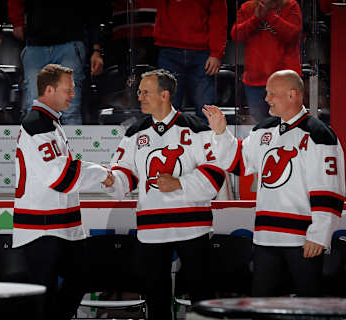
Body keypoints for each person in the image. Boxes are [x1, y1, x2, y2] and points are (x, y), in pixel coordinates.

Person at [203, 70, 345, 297]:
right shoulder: (263, 130)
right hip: (265, 238)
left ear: (292, 95)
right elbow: (239, 164)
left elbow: (329, 190)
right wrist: (221, 133)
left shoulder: (319, 135)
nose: (266, 98)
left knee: (308, 308)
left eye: (271, 93)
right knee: (263, 306)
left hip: (303, 240)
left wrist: (318, 235)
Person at [106, 69, 225, 319]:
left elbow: (215, 176)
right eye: (139, 92)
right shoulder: (134, 133)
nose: (139, 97)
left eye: (145, 92)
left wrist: (180, 183)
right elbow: (123, 174)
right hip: (151, 232)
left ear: (164, 94)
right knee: (156, 302)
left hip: (194, 229)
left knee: (203, 299)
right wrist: (111, 180)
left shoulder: (196, 129)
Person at [13, 64, 113, 320]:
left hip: (60, 227)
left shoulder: (50, 123)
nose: (73, 94)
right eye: (68, 90)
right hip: (41, 230)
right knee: (45, 300)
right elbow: (60, 177)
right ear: (49, 89)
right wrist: (102, 173)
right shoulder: (38, 124)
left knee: (82, 276)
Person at [7, 0, 105, 125]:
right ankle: (38, 144)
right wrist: (17, 22)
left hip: (69, 41)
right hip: (38, 42)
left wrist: (96, 49)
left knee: (69, 109)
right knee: (35, 107)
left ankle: (66, 144)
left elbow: (93, 9)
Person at [154, 0, 227, 121]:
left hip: (201, 52)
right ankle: (167, 139)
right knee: (166, 109)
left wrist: (216, 53)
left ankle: (205, 139)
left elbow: (219, 16)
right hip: (170, 48)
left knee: (205, 109)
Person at [231, 0, 302, 123]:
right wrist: (256, 19)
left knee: (288, 126)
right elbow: (236, 35)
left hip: (285, 83)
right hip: (255, 81)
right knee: (262, 131)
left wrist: (269, 15)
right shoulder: (247, 7)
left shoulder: (290, 6)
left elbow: (293, 34)